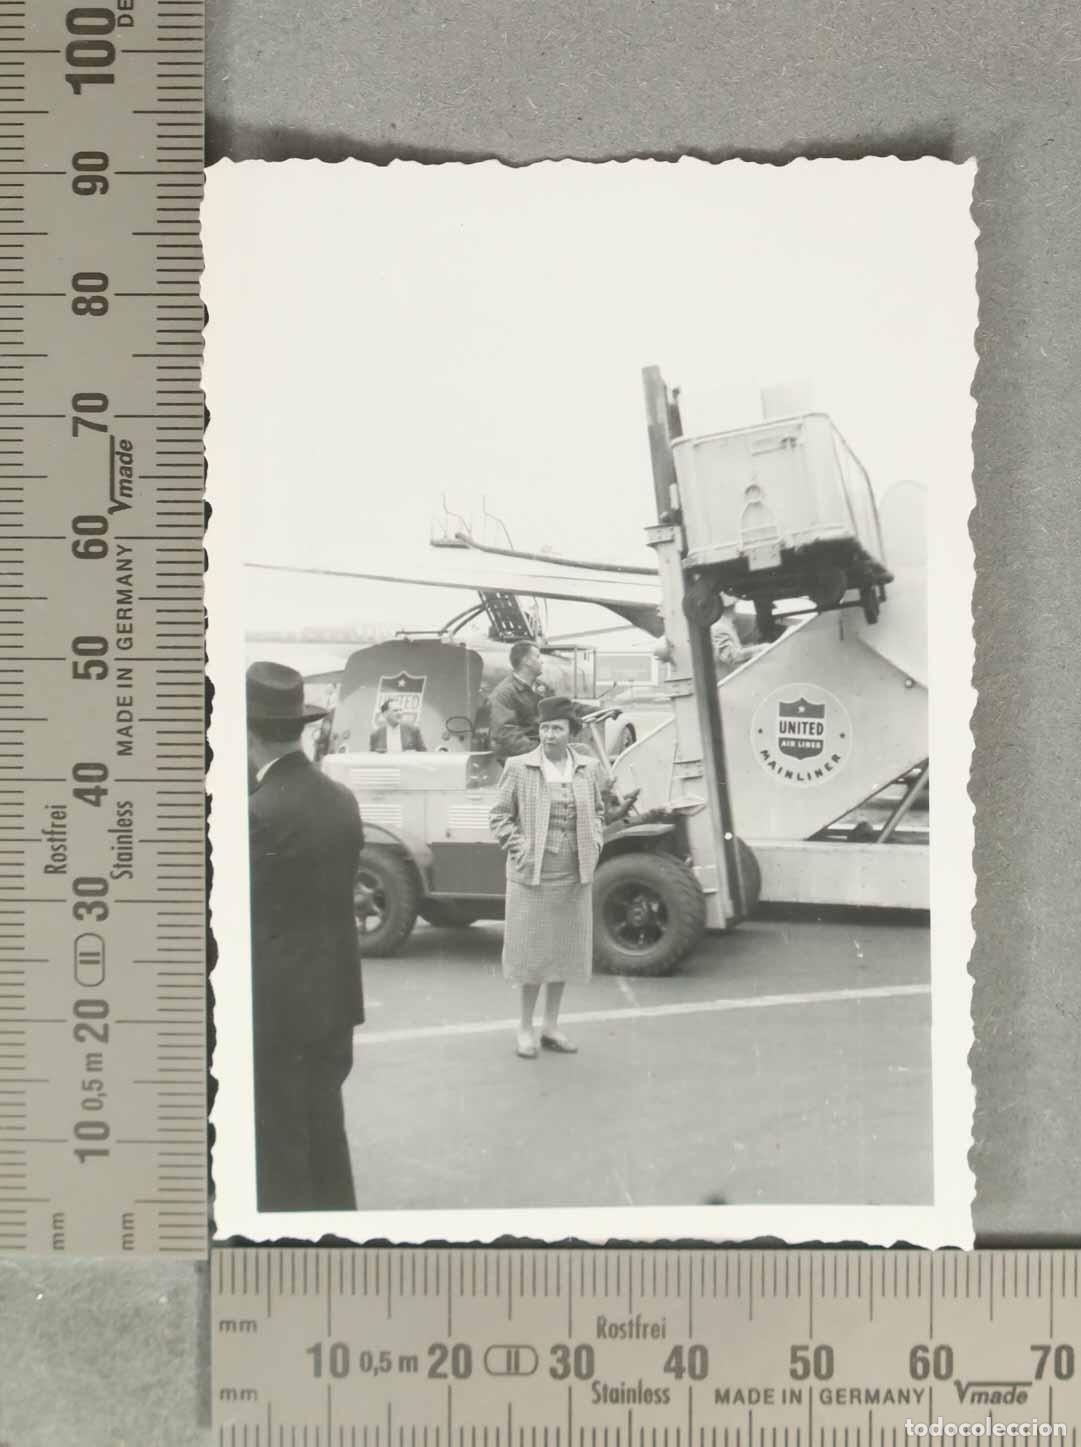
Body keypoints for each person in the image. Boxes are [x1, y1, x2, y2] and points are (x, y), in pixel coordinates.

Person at [246, 661, 366, 1211]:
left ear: (248, 733)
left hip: (278, 1009)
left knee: (281, 1146)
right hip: (335, 999)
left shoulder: (259, 813)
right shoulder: (342, 800)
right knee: (326, 1129)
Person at [489, 694, 605, 1059]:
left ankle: (551, 1025)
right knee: (532, 954)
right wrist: (521, 849)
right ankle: (525, 1027)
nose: (549, 735)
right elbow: (499, 816)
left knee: (564, 951)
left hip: (574, 872)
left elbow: (600, 811)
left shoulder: (587, 767)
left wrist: (595, 841)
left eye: (556, 728)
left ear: (572, 732)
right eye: (543, 728)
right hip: (532, 876)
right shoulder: (520, 767)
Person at [488, 639, 544, 759]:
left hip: (538, 748)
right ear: (527, 661)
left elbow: (561, 706)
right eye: (538, 657)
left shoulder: (539, 687)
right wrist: (540, 752)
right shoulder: (504, 693)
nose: (542, 661)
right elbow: (506, 734)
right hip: (517, 757)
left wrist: (592, 710)